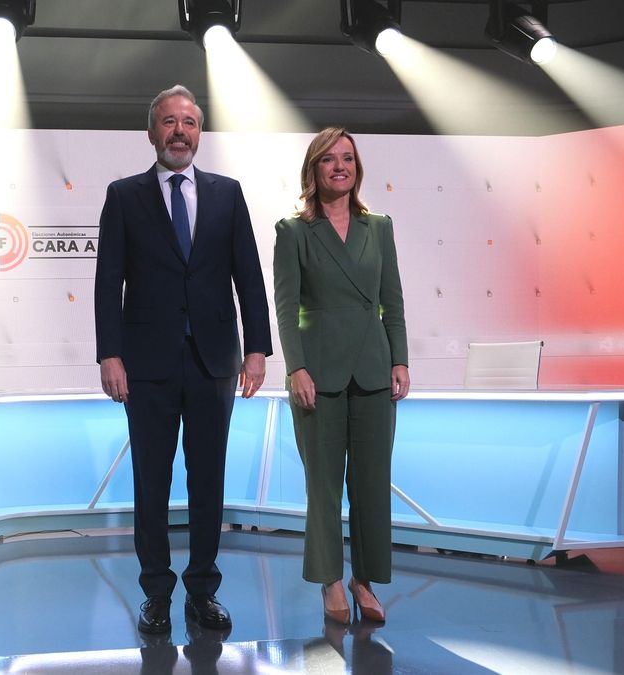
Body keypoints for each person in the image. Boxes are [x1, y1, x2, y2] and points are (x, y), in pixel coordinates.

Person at [94, 85, 272, 635]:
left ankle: (202, 591)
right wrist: (109, 354)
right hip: (145, 364)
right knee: (151, 482)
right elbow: (107, 284)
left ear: (200, 132)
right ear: (152, 132)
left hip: (214, 361)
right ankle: (156, 594)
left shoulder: (228, 193)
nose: (179, 131)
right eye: (168, 122)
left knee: (208, 481)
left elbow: (249, 275)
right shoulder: (124, 195)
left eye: (189, 122)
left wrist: (259, 348)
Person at [271, 127, 409, 624]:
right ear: (314, 169)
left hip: (373, 370)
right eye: (329, 159)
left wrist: (400, 359)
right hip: (319, 375)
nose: (339, 167)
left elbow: (391, 300)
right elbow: (286, 309)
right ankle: (330, 578)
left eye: (347, 158)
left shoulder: (380, 227)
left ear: (358, 167)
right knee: (323, 486)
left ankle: (365, 580)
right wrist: (296, 368)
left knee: (372, 484)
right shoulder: (293, 231)